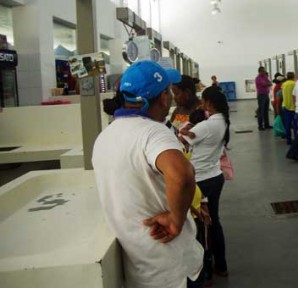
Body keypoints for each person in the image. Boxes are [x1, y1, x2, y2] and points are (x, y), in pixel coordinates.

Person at [92, 61, 203, 288]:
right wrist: (176, 220)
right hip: (174, 269)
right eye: (169, 92)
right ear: (163, 98)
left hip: (141, 271)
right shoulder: (153, 132)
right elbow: (182, 175)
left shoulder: (105, 136)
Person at [179, 87, 231, 280]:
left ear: (209, 103)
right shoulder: (223, 123)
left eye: (204, 101)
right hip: (215, 176)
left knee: (201, 227)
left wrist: (189, 123)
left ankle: (205, 271)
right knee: (214, 222)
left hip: (200, 180)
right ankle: (221, 265)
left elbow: (182, 136)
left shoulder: (206, 126)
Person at [280, 71, 298, 145]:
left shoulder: (283, 84)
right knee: (295, 125)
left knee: (287, 124)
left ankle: (288, 140)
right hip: (294, 107)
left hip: (285, 106)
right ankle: (297, 140)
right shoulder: (295, 84)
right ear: (293, 76)